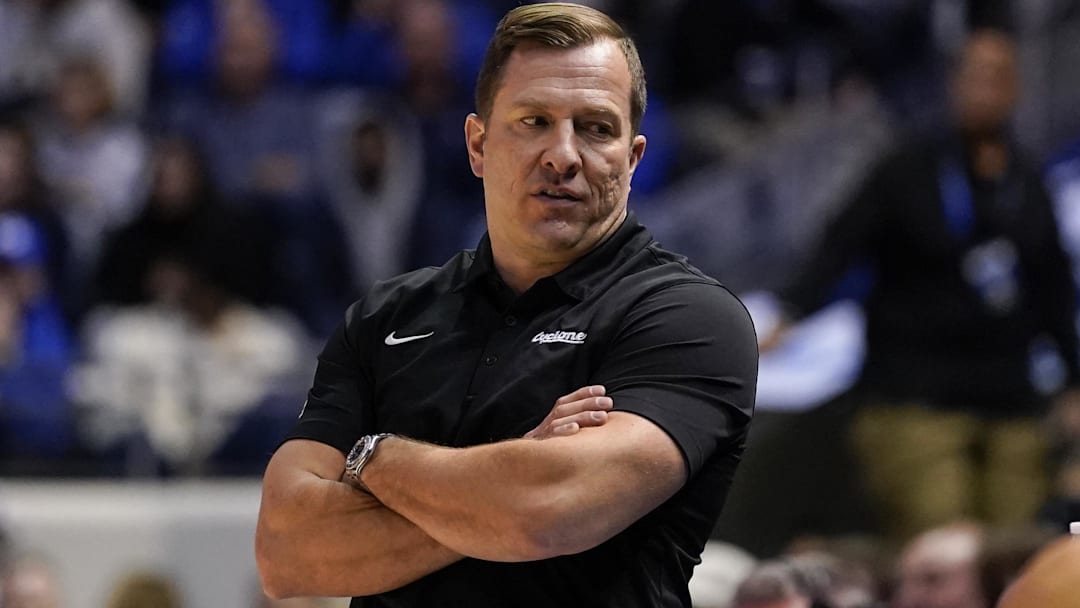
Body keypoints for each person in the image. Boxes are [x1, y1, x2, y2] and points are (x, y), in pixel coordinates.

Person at [254, 3, 758, 607]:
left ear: (633, 159)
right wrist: (506, 482)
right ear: (478, 144)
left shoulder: (690, 319)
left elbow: (546, 514)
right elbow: (287, 553)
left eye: (597, 128)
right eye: (534, 121)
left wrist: (373, 456)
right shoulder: (385, 317)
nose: (563, 155)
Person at [763, 27, 1080, 541]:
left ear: (1016, 89)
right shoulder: (906, 170)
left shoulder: (1027, 181)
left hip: (1010, 399)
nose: (986, 89)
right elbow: (839, 246)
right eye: (975, 75)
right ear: (953, 83)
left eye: (999, 77)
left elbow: (1054, 287)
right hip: (915, 396)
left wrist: (1072, 379)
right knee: (941, 553)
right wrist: (789, 316)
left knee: (1020, 553)